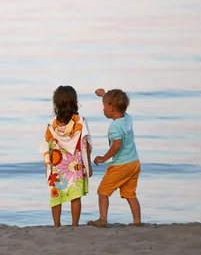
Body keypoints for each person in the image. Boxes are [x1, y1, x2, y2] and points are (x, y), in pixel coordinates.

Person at [88, 88, 142, 227]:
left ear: (111, 108)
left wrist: (103, 158)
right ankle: (137, 221)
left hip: (121, 165)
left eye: (104, 106)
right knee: (130, 194)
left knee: (103, 191)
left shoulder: (114, 127)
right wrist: (104, 95)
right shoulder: (127, 118)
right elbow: (117, 104)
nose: (103, 109)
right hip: (134, 163)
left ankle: (103, 220)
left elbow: (117, 144)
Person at [40, 85, 92, 227]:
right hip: (75, 165)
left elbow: (46, 145)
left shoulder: (51, 124)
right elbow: (85, 144)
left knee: (56, 196)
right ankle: (75, 224)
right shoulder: (80, 122)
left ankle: (57, 225)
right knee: (75, 196)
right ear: (74, 102)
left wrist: (48, 166)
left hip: (57, 166)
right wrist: (89, 166)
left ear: (55, 104)